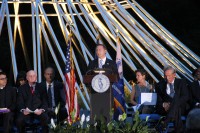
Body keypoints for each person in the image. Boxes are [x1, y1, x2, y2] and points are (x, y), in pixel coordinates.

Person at [155, 65, 189, 133]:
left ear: (174, 75)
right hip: (166, 109)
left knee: (176, 99)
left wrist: (172, 104)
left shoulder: (181, 82)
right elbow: (158, 101)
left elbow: (186, 96)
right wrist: (164, 104)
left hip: (181, 107)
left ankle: (165, 123)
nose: (167, 78)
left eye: (169, 75)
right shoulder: (160, 85)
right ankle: (179, 131)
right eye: (165, 76)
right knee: (176, 109)